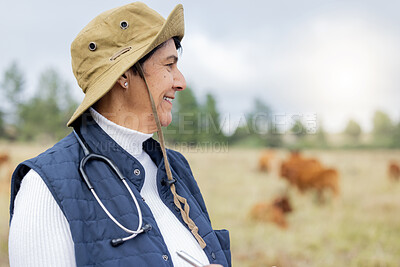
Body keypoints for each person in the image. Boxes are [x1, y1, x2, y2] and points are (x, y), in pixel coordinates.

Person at [8, 2, 231, 267]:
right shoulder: (45, 189)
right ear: (124, 75)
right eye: (169, 66)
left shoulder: (175, 168)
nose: (181, 81)